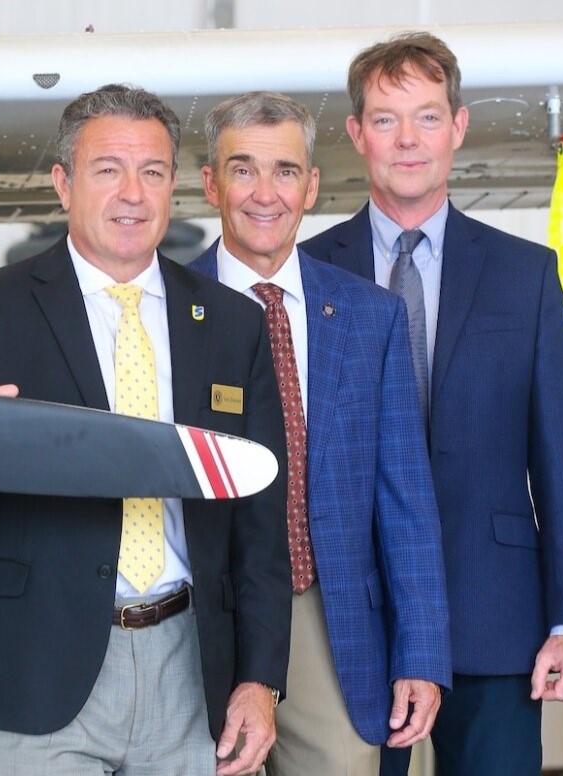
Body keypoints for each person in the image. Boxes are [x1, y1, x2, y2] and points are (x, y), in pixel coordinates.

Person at [0, 84, 292, 776]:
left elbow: (260, 522)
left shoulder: (233, 325)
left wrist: (260, 681)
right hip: (36, 667)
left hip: (191, 673)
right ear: (63, 184)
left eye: (153, 172)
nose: (132, 194)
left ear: (175, 186)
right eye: (108, 170)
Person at [301, 32, 563, 776]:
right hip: (355, 620)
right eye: (385, 119)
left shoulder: (524, 275)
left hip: (496, 616)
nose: (408, 141)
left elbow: (561, 457)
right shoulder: (307, 276)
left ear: (458, 127)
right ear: (355, 135)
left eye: (428, 117)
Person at [188, 91, 450, 776]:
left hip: (328, 611)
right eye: (243, 170)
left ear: (311, 187)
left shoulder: (371, 316)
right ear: (211, 183)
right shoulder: (166, 308)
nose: (264, 193)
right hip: (201, 619)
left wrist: (421, 654)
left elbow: (406, 499)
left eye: (284, 172)